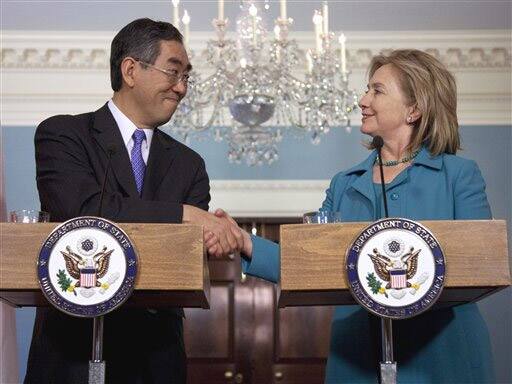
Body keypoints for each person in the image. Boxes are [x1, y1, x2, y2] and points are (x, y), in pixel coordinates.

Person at [211, 49, 495, 383]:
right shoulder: (344, 184)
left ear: (414, 109)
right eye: (366, 89)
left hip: (444, 353)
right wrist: (244, 241)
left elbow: (481, 261)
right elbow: (309, 263)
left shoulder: (459, 175)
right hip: (358, 354)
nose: (362, 99)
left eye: (377, 90)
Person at [26, 18, 242, 384]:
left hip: (156, 359)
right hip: (72, 353)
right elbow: (85, 213)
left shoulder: (189, 165)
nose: (182, 87)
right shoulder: (63, 135)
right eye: (173, 72)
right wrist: (186, 216)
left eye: (187, 77)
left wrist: (211, 237)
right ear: (130, 70)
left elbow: (183, 255)